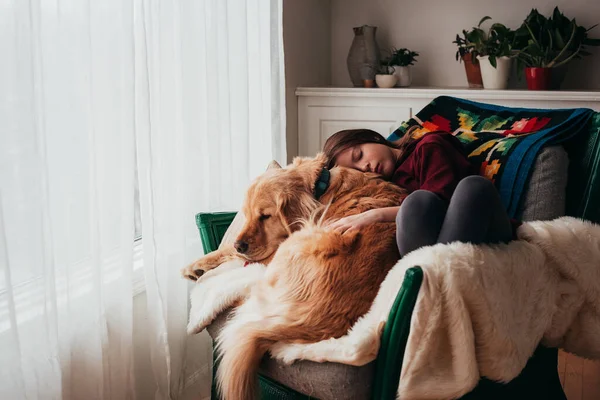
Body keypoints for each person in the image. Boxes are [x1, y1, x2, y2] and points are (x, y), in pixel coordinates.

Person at [322, 128, 515, 257]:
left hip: (483, 228)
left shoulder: (429, 146)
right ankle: (436, 284)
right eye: (357, 170)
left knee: (472, 187)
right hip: (439, 253)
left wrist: (376, 215)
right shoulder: (383, 189)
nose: (365, 166)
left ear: (371, 138)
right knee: (414, 204)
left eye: (359, 155)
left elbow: (443, 201)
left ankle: (431, 283)